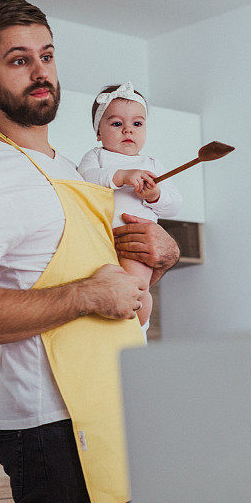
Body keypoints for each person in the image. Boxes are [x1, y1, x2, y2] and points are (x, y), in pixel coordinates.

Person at [0, 0, 179, 503]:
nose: (40, 72)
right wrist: (88, 294)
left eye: (47, 56)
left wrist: (161, 253)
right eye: (19, 60)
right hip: (52, 429)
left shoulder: (70, 168)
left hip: (114, 409)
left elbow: (117, 283)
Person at [79, 82, 183, 329]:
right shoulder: (96, 157)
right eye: (116, 124)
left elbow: (174, 205)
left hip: (135, 240)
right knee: (106, 288)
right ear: (98, 133)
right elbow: (85, 178)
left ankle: (137, 328)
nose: (128, 130)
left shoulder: (152, 164)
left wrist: (155, 195)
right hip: (99, 239)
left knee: (135, 288)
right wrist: (121, 176)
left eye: (137, 124)